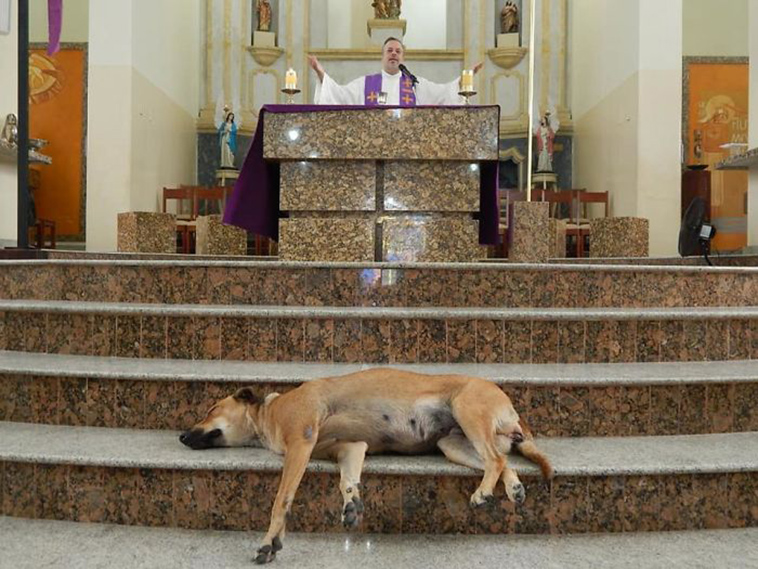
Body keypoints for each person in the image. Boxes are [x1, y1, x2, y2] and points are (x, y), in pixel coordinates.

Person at [308, 37, 483, 106]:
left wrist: (465, 79)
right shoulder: (366, 83)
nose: (393, 54)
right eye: (389, 50)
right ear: (382, 56)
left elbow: (443, 93)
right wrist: (320, 71)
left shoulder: (414, 83)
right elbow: (340, 95)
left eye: (398, 51)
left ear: (403, 58)